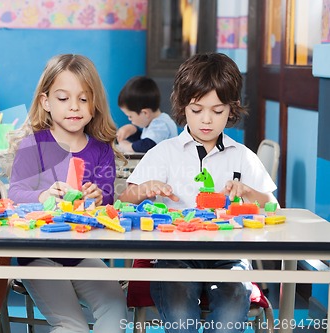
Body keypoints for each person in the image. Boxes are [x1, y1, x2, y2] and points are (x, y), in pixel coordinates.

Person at [119, 53, 278, 333]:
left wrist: (249, 192)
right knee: (180, 317)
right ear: (182, 107)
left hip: (230, 253)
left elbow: (271, 205)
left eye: (217, 111)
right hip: (174, 253)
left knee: (231, 314)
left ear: (232, 109)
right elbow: (123, 201)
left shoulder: (243, 156)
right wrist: (145, 190)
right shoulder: (164, 153)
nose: (207, 120)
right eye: (196, 110)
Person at [8, 54, 127, 332]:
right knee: (72, 325)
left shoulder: (101, 149)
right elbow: (15, 194)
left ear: (94, 103)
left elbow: (108, 199)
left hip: (81, 252)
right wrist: (42, 195)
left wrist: (100, 196)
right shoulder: (33, 145)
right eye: (63, 99)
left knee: (117, 309)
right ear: (46, 102)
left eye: (83, 99)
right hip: (38, 254)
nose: (74, 107)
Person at [116, 76, 178, 153]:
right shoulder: (154, 124)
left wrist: (127, 147)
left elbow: (147, 145)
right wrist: (134, 131)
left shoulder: (162, 124)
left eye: (130, 116)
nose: (129, 119)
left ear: (145, 113)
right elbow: (144, 139)